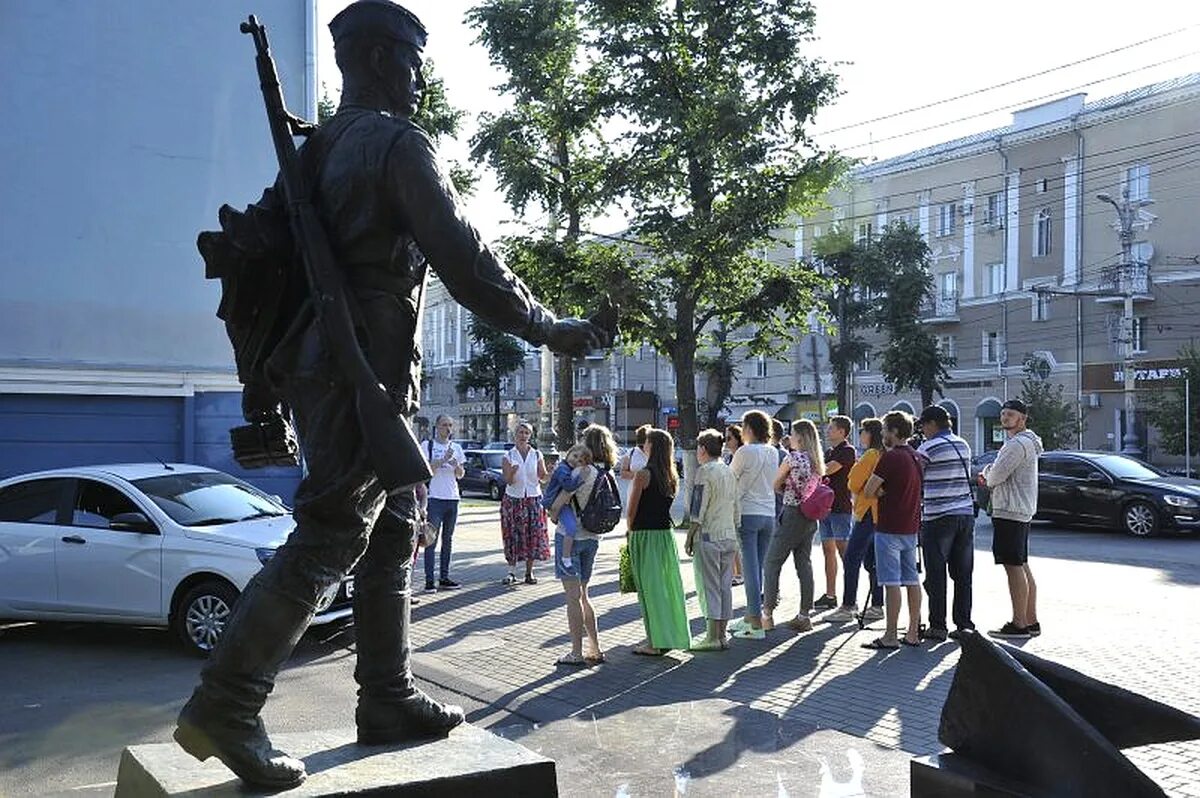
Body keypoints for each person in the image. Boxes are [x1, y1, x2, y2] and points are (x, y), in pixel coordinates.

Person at [175, 2, 610, 788]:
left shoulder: (314, 154)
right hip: (359, 363)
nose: (419, 80)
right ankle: (226, 702)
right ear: (378, 59)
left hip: (330, 361)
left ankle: (386, 695)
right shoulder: (395, 145)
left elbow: (252, 275)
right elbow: (464, 257)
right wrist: (546, 325)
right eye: (412, 63)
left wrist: (263, 382)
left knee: (394, 523)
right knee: (334, 531)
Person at [554, 424, 618, 666]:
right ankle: (595, 648)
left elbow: (560, 502)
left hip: (570, 538)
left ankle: (576, 652)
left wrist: (551, 510)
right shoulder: (605, 472)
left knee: (572, 598)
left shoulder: (579, 472)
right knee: (584, 595)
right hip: (593, 538)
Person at [860, 411, 924, 650]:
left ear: (894, 432)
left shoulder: (890, 457)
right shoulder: (916, 457)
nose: (882, 434)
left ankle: (889, 636)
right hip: (910, 527)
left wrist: (880, 492)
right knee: (912, 579)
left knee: (891, 582)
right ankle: (912, 633)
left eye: (885, 429)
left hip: (889, 527)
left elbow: (868, 490)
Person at [981, 399, 1043, 639]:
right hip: (1021, 509)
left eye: (1010, 414)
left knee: (1013, 566)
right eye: (1003, 414)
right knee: (1021, 563)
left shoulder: (1016, 445)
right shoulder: (1028, 442)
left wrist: (986, 473)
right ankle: (1031, 620)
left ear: (1022, 418)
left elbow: (995, 476)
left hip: (1010, 509)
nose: (1005, 418)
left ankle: (1019, 624)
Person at [627, 428, 690, 655]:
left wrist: (629, 531)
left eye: (647, 442)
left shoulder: (643, 474)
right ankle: (667, 635)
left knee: (649, 590)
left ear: (652, 447)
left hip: (644, 535)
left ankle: (654, 641)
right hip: (664, 535)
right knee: (665, 588)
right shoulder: (670, 475)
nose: (644, 445)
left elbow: (631, 510)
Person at [915, 406, 976, 642]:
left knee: (936, 573)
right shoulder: (963, 444)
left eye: (923, 426)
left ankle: (938, 626)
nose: (922, 430)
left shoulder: (928, 448)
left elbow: (916, 479)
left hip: (938, 516)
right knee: (963, 574)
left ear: (932, 424)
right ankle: (964, 625)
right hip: (965, 514)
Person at [763, 419, 826, 633]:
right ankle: (804, 615)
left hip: (791, 514)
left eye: (792, 433)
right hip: (811, 517)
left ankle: (767, 614)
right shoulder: (817, 461)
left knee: (772, 563)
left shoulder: (793, 458)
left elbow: (776, 483)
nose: (789, 437)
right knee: (804, 565)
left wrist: (785, 490)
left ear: (799, 436)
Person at [685, 429, 740, 651]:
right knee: (725, 586)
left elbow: (699, 508)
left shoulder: (704, 472)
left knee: (709, 587)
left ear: (703, 449)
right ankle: (723, 635)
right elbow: (737, 506)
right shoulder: (728, 471)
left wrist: (690, 535)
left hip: (709, 536)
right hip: (729, 535)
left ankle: (711, 637)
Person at [828, 418, 885, 623]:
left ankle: (848, 605)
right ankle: (878, 605)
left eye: (862, 431)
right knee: (872, 562)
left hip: (866, 512)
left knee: (852, 558)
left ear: (871, 434)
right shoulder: (883, 454)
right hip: (878, 514)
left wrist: (857, 478)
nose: (860, 435)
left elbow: (853, 482)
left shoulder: (870, 454)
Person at [728, 410, 779, 639]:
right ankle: (753, 615)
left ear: (748, 429)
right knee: (758, 566)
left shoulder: (744, 452)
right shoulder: (773, 452)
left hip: (747, 513)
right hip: (768, 515)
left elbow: (729, 478)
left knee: (749, 569)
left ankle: (755, 620)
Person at [501, 421, 552, 585]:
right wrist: (513, 472)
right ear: (515, 435)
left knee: (533, 535)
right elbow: (508, 481)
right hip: (514, 500)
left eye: (526, 433)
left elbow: (542, 477)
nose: (523, 436)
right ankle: (511, 571)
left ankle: (529, 572)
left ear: (531, 436)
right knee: (513, 535)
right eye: (520, 433)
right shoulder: (509, 455)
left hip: (533, 499)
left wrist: (549, 473)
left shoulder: (537, 454)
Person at [814, 415, 856, 611]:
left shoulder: (847, 451)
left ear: (842, 431)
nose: (828, 431)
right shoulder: (829, 451)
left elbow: (827, 470)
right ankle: (830, 595)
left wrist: (811, 466)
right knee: (827, 551)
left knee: (843, 550)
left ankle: (851, 595)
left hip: (840, 508)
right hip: (825, 509)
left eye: (831, 428)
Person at [420, 414, 465, 592]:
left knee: (448, 539)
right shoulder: (428, 446)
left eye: (450, 425)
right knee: (431, 539)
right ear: (436, 426)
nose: (448, 428)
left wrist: (456, 465)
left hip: (452, 498)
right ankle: (429, 580)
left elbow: (461, 475)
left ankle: (444, 577)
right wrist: (443, 460)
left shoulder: (456, 448)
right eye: (444, 425)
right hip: (435, 498)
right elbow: (425, 471)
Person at [543, 443, 592, 576]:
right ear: (569, 453)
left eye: (580, 461)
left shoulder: (567, 468)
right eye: (575, 456)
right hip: (554, 501)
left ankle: (566, 558)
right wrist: (582, 478)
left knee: (570, 526)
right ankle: (565, 560)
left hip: (562, 503)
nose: (576, 460)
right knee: (571, 528)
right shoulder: (563, 469)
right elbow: (568, 486)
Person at [723, 424, 745, 587]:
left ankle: (739, 573)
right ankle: (734, 572)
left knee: (736, 539)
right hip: (730, 502)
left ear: (738, 439)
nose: (726, 440)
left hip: (739, 502)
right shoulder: (729, 457)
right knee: (732, 539)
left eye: (729, 437)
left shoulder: (740, 455)